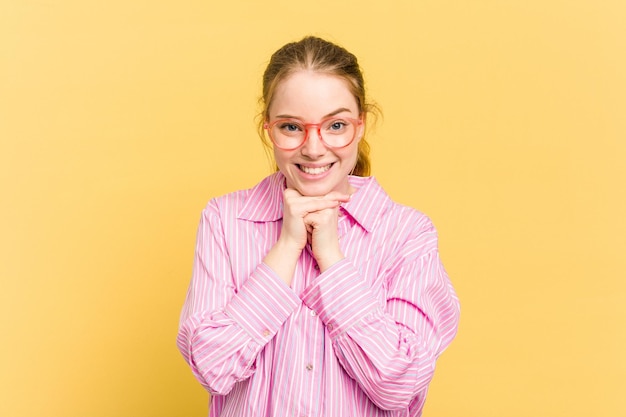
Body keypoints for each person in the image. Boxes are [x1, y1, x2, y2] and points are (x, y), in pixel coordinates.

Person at [177, 36, 460, 417]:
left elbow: (399, 384)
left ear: (360, 127)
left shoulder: (407, 234)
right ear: (268, 129)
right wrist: (286, 248)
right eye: (292, 127)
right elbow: (212, 367)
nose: (313, 148)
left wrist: (331, 259)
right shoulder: (225, 220)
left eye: (336, 125)